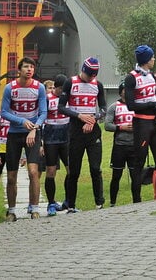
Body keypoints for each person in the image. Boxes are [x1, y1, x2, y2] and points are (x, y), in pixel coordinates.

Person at [0, 56, 48, 220]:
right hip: (14, 133)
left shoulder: (39, 87)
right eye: (26, 67)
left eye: (32, 67)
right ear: (19, 70)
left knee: (34, 172)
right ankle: (12, 210)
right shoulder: (10, 88)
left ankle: (34, 208)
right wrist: (22, 121)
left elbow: (43, 112)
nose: (29, 70)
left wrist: (35, 128)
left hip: (33, 133)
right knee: (11, 175)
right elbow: (4, 112)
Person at [61, 58, 108, 212]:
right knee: (74, 171)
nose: (91, 78)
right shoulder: (70, 82)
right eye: (89, 75)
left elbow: (103, 108)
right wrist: (79, 116)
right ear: (83, 70)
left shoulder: (98, 85)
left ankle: (100, 202)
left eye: (94, 76)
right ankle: (71, 205)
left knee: (95, 168)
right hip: (76, 129)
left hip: (92, 129)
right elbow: (61, 107)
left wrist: (93, 119)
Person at [125, 45, 156, 202]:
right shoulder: (131, 78)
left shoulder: (152, 76)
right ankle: (137, 200)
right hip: (141, 123)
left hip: (155, 124)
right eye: (152, 57)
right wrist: (151, 105)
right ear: (145, 60)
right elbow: (131, 105)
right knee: (139, 163)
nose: (154, 59)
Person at [42, 74, 70, 215]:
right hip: (51, 138)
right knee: (51, 171)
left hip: (66, 137)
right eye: (61, 90)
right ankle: (51, 203)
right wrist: (41, 142)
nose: (63, 92)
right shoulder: (47, 99)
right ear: (57, 88)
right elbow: (42, 117)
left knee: (71, 170)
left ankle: (68, 201)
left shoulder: (68, 98)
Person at [105, 81, 136, 207]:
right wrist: (121, 127)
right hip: (119, 146)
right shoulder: (114, 106)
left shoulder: (136, 106)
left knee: (135, 175)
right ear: (121, 91)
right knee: (116, 175)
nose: (126, 91)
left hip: (134, 145)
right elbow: (107, 125)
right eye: (124, 89)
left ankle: (137, 201)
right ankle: (112, 203)